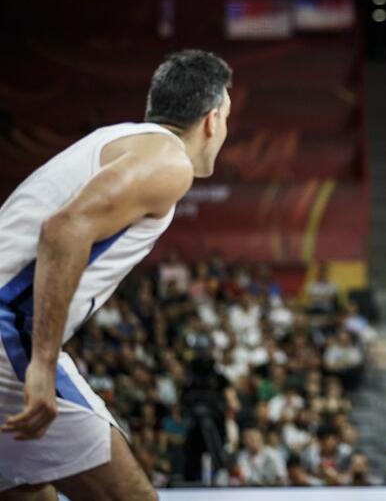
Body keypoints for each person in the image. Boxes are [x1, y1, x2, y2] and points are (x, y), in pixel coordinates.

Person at [0, 50, 232, 500]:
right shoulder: (169, 161)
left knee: (29, 493)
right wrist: (42, 367)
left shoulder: (116, 141)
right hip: (8, 333)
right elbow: (63, 230)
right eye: (226, 117)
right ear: (212, 120)